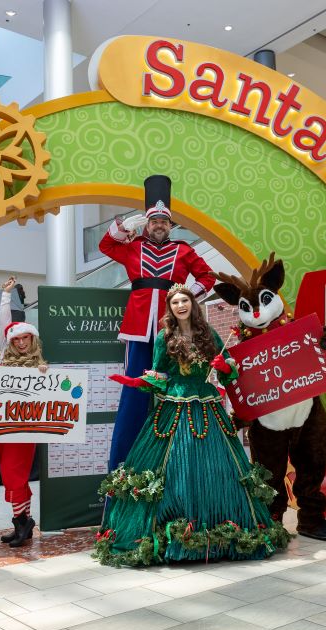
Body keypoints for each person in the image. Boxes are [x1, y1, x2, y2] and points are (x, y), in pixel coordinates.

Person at [95, 285, 290, 567]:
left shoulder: (207, 332)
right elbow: (160, 373)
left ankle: (221, 532)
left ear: (192, 304)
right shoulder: (164, 337)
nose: (181, 305)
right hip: (174, 405)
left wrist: (225, 368)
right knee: (174, 466)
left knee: (217, 468)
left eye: (185, 300)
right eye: (175, 302)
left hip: (207, 404)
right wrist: (140, 382)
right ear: (170, 308)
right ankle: (173, 533)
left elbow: (227, 374)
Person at [100, 175, 215, 470]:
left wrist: (189, 297)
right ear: (147, 224)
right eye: (154, 221)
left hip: (173, 332)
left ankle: (177, 466)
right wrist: (124, 227)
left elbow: (208, 277)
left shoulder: (184, 250)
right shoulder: (132, 246)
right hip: (138, 331)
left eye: (164, 221)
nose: (159, 225)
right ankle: (123, 468)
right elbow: (105, 246)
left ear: (171, 224)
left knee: (175, 392)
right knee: (134, 397)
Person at [0, 275, 47, 547]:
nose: (22, 343)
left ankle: (23, 523)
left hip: (25, 428)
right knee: (8, 475)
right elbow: (6, 325)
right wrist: (6, 296)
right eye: (18, 339)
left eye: (26, 338)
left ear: (32, 339)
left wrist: (43, 375)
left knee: (16, 475)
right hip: (3, 426)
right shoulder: (4, 358)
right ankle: (22, 521)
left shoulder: (39, 363)